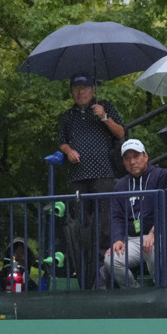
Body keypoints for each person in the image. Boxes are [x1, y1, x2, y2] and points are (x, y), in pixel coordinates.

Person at [55, 72, 125, 289]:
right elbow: (61, 141)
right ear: (71, 92)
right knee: (80, 226)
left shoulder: (105, 106)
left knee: (105, 226)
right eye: (76, 88)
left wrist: (104, 116)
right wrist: (68, 151)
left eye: (84, 88)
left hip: (104, 174)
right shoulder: (67, 116)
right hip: (78, 177)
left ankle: (104, 276)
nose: (80, 92)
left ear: (92, 90)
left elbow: (122, 133)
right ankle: (85, 275)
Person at [103, 139, 167, 288]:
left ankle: (162, 291)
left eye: (136, 156)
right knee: (110, 259)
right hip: (132, 240)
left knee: (153, 248)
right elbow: (116, 216)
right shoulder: (121, 184)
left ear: (146, 156)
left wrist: (154, 233)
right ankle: (135, 292)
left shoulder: (162, 175)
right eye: (127, 158)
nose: (132, 161)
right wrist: (118, 239)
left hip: (159, 235)